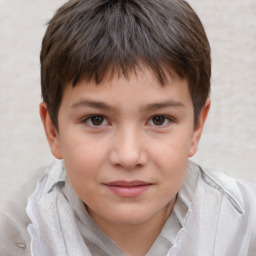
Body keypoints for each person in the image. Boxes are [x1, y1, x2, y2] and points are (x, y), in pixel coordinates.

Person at [0, 0, 255, 255]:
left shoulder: (242, 227)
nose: (128, 156)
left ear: (196, 127)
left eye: (159, 120)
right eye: (96, 120)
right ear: (53, 130)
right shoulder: (22, 232)